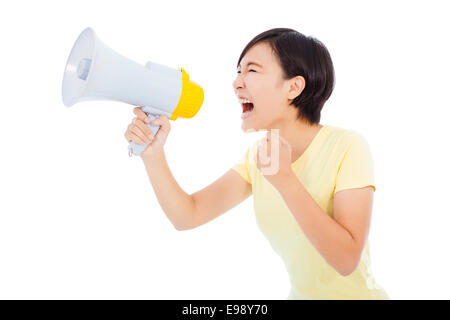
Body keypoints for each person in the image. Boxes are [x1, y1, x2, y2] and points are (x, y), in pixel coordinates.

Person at [123, 28, 389, 300]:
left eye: (251, 70)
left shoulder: (347, 146)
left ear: (293, 87)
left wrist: (286, 181)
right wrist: (153, 155)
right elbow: (188, 215)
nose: (237, 83)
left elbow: (346, 260)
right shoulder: (258, 158)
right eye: (238, 72)